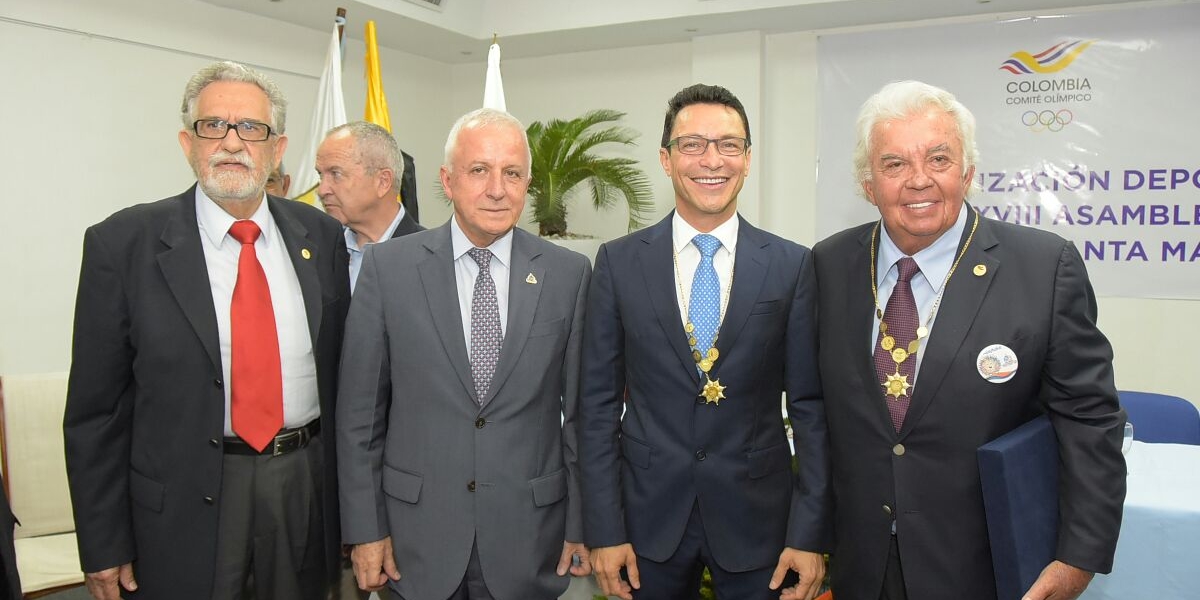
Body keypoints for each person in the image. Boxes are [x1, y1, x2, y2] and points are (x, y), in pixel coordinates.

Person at [811, 80, 1125, 600]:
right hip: (863, 561)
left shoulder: (1044, 268)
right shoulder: (829, 264)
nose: (919, 181)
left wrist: (1079, 556)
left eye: (938, 158)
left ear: (968, 173)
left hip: (990, 561)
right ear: (868, 185)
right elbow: (817, 410)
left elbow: (1089, 420)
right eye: (894, 165)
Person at [63, 61, 350, 600]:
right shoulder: (122, 244)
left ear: (277, 148)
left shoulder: (322, 236)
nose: (232, 142)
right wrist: (102, 541)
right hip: (182, 499)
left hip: (302, 486)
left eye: (252, 129)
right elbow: (95, 414)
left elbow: (344, 378)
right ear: (187, 142)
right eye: (213, 125)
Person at [579, 83, 832, 600]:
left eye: (729, 144)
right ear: (666, 159)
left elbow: (809, 409)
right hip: (646, 523)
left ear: (748, 158)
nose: (711, 160)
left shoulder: (791, 265)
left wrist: (808, 534)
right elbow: (597, 407)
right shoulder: (618, 263)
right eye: (692, 144)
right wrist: (605, 530)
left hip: (759, 523)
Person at [336, 107, 592, 600]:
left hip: (530, 541)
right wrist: (366, 530)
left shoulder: (569, 274)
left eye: (512, 173)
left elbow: (581, 418)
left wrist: (581, 521)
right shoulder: (388, 270)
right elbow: (359, 420)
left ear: (527, 183)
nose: (497, 188)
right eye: (480, 170)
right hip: (415, 543)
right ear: (447, 180)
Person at [316, 121, 424, 292]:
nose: (322, 190)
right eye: (320, 175)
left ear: (382, 181)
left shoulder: (433, 258)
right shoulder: (316, 251)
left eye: (336, 174)